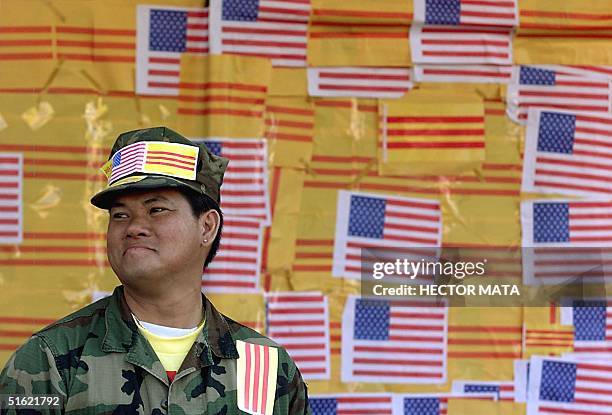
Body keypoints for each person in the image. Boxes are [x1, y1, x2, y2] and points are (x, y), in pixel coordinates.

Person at [0, 127, 311, 414]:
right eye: (120, 215)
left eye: (156, 210)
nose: (134, 227)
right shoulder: (51, 360)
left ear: (207, 226)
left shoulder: (268, 367)